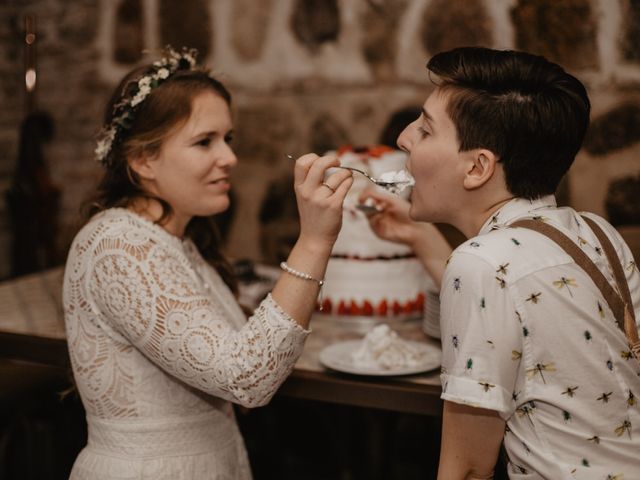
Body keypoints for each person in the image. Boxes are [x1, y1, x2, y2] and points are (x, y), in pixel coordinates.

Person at [62, 47, 352, 479]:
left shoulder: (174, 242)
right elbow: (247, 378)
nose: (230, 158)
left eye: (227, 139)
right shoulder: (119, 245)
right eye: (204, 142)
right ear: (143, 160)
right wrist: (312, 239)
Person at [361, 47, 640, 479]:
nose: (403, 137)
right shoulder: (597, 233)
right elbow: (514, 314)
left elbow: (469, 467)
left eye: (425, 129)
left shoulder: (481, 265)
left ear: (478, 167)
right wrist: (418, 236)